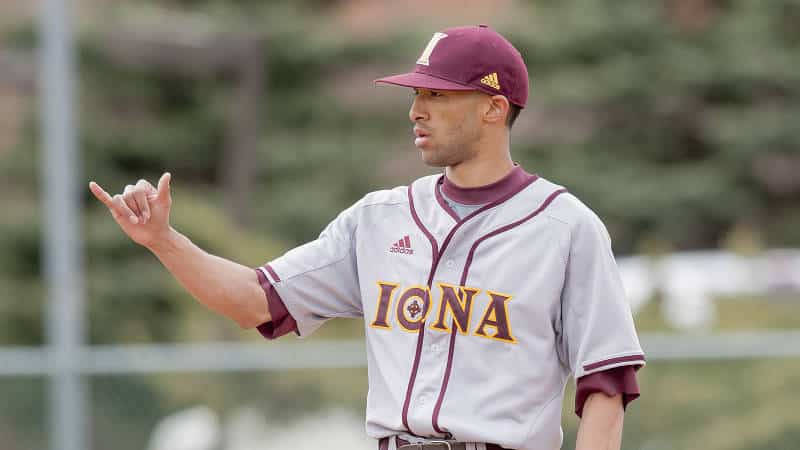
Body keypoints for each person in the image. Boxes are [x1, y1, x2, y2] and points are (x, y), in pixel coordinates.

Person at [90, 24, 644, 450]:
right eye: (417, 93)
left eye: (438, 96)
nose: (415, 110)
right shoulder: (379, 218)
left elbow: (606, 387)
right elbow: (255, 302)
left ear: (494, 108)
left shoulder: (565, 227)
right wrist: (164, 240)